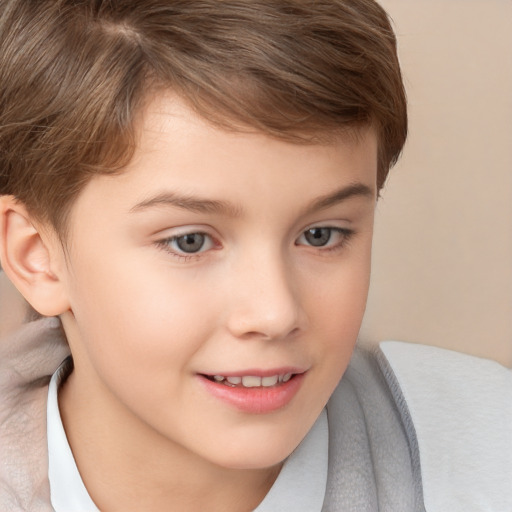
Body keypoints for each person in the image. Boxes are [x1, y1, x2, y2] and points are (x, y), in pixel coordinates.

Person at [0, 1, 510, 511]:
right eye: (190, 241)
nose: (275, 313)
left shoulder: (491, 454)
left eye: (321, 234)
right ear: (37, 255)